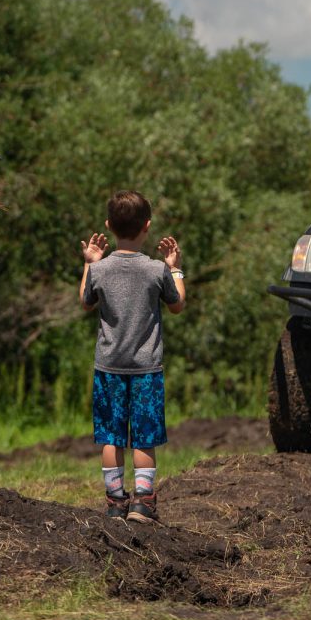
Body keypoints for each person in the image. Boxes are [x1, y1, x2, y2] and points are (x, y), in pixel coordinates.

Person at [78, 190, 187, 523]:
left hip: (108, 367)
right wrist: (176, 270)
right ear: (147, 227)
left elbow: (85, 301)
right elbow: (177, 305)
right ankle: (143, 503)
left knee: (111, 435)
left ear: (109, 225)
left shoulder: (100, 270)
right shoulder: (157, 270)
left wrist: (89, 264)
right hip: (146, 369)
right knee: (143, 436)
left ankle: (115, 502)